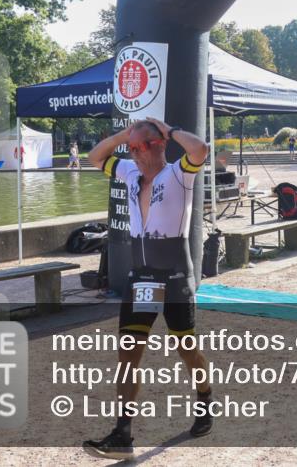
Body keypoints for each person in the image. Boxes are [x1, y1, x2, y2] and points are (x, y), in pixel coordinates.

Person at [84, 118, 212, 458]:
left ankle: (205, 398)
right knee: (128, 355)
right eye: (132, 148)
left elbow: (200, 149)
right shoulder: (128, 172)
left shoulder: (179, 174)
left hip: (174, 278)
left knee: (187, 350)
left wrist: (170, 131)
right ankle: (122, 435)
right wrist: (123, 136)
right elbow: (94, 157)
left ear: (159, 145)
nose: (135, 154)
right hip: (142, 278)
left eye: (141, 147)